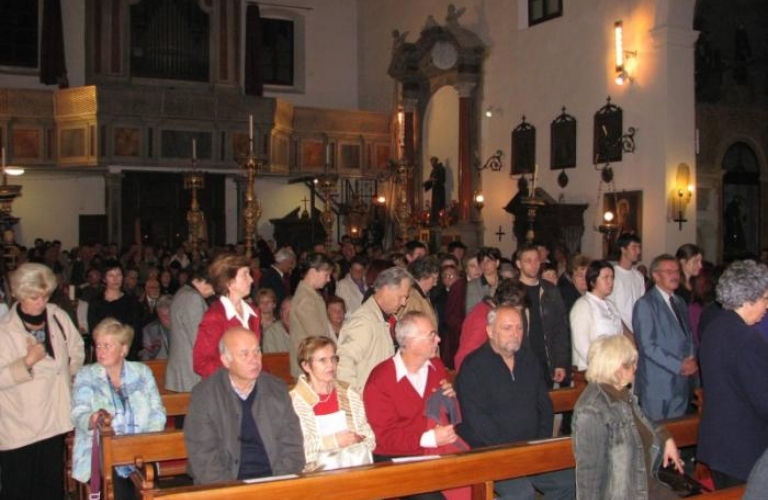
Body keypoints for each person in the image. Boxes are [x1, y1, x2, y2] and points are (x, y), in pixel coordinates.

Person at [455, 305, 575, 500]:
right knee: (521, 494)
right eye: (507, 328)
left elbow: (544, 405)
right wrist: (512, 454)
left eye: (519, 328)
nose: (515, 334)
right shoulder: (473, 366)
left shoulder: (528, 360)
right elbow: (477, 421)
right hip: (492, 452)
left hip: (530, 448)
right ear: (490, 331)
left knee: (569, 482)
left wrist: (538, 444)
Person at [0, 263, 85, 500]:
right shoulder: (5, 330)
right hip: (20, 424)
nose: (41, 302)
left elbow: (77, 347)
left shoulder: (57, 316)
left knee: (50, 488)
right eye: (34, 297)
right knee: (19, 488)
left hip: (54, 418)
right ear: (18, 293)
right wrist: (26, 362)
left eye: (45, 295)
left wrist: (71, 371)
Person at [184, 326, 305, 485]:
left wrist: (277, 486)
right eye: (245, 354)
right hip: (227, 487)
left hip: (274, 482)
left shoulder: (277, 389)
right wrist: (235, 493)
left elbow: (292, 447)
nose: (254, 359)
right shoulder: (205, 395)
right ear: (226, 360)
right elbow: (204, 458)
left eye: (257, 351)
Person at [363, 311, 464, 500]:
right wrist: (429, 439)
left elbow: (450, 418)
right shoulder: (380, 380)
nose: (439, 339)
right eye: (431, 335)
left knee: (475, 478)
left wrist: (451, 400)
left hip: (436, 453)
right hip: (396, 460)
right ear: (410, 342)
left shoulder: (436, 367)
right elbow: (384, 439)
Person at [572, 335, 684, 500]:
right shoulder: (592, 410)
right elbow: (589, 476)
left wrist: (666, 438)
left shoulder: (622, 394)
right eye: (631, 363)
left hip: (645, 487)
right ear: (617, 368)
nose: (636, 368)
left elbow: (645, 421)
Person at [71, 318, 166, 499]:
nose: (100, 351)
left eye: (107, 346)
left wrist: (144, 443)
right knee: (120, 490)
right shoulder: (87, 375)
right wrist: (91, 419)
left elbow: (157, 412)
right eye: (98, 346)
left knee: (146, 484)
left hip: (140, 450)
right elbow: (77, 413)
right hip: (101, 454)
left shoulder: (142, 372)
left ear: (124, 349)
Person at [698, 260, 768, 488]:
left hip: (720, 442)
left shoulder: (715, 327)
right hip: (744, 448)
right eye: (765, 299)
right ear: (749, 298)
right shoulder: (746, 340)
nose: (766, 307)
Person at [290, 336, 375, 471]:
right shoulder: (296, 401)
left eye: (333, 359)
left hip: (355, 469)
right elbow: (298, 450)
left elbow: (370, 437)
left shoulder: (349, 393)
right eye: (322, 360)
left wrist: (357, 438)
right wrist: (335, 441)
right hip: (316, 476)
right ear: (306, 366)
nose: (331, 365)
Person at [632, 254, 697, 422]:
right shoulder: (645, 304)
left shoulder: (680, 302)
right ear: (655, 275)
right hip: (657, 384)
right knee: (656, 438)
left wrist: (690, 358)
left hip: (680, 381)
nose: (675, 275)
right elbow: (647, 347)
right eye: (669, 271)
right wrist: (679, 365)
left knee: (676, 436)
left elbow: (688, 334)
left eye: (676, 271)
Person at [337, 266, 412, 390]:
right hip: (365, 401)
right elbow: (344, 364)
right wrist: (354, 402)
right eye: (401, 296)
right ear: (386, 289)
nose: (404, 302)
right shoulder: (364, 321)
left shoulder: (388, 318)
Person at [193, 254, 260, 378]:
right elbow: (201, 363)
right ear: (229, 282)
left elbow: (256, 356)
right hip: (224, 390)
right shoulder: (215, 316)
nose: (251, 279)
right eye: (245, 274)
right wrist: (235, 375)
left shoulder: (253, 313)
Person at [516, 243, 571, 387]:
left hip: (546, 360)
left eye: (536, 260)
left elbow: (561, 328)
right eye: (528, 261)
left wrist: (560, 362)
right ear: (518, 264)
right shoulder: (511, 290)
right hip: (520, 361)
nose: (534, 264)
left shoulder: (550, 290)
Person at [454, 278, 528, 371]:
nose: (518, 315)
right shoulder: (483, 319)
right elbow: (462, 359)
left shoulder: (488, 312)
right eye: (517, 310)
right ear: (506, 304)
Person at [164, 269, 215, 392]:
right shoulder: (193, 298)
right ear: (199, 280)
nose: (214, 291)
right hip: (190, 372)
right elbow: (198, 339)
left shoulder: (182, 293)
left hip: (183, 370)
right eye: (213, 285)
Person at [569, 260, 625, 372]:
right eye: (605, 278)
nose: (610, 282)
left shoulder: (611, 306)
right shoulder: (583, 305)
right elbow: (582, 345)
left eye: (612, 277)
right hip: (592, 371)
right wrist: (602, 367)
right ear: (593, 282)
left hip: (613, 368)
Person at [289, 253, 334, 379]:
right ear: (314, 272)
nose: (329, 279)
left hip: (314, 365)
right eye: (326, 275)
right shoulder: (305, 300)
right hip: (309, 368)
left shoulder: (310, 295)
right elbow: (318, 337)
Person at [87, 259, 142, 360]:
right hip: (103, 352)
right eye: (111, 275)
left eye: (119, 275)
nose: (116, 279)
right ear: (104, 279)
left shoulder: (131, 302)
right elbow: (93, 331)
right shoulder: (96, 302)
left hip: (126, 353)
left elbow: (136, 331)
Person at [607, 234, 645, 334]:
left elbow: (641, 306)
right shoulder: (612, 275)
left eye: (639, 247)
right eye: (634, 247)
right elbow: (611, 308)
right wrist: (627, 333)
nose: (638, 251)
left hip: (638, 330)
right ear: (623, 249)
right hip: (619, 332)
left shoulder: (639, 276)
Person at [398, 256, 440, 328]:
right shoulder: (411, 298)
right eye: (433, 279)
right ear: (423, 276)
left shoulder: (421, 295)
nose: (435, 284)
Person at [465, 247, 501, 314]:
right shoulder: (473, 285)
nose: (485, 264)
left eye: (488, 261)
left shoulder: (506, 282)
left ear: (497, 263)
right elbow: (470, 312)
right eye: (482, 261)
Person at [139, 294, 172, 360]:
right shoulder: (149, 330)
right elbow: (145, 357)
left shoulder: (183, 328)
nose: (167, 319)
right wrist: (153, 349)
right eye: (163, 316)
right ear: (158, 314)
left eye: (169, 315)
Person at [423, 156, 446, 225]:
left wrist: (435, 180)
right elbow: (431, 180)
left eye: (432, 162)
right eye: (431, 162)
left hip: (440, 190)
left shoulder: (441, 169)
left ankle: (440, 220)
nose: (431, 164)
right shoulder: (434, 170)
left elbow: (442, 180)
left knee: (439, 205)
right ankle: (435, 220)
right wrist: (426, 184)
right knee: (434, 205)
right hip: (435, 190)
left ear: (436, 161)